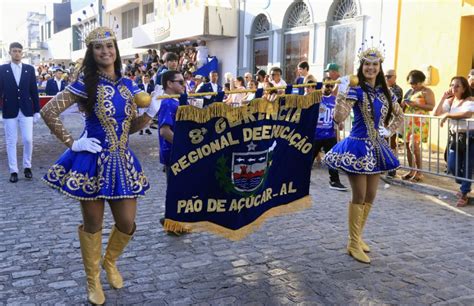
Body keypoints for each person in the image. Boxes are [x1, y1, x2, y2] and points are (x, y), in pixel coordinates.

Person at [39, 27, 160, 305]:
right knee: (93, 224)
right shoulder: (86, 82)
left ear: (116, 51)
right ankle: (92, 280)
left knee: (127, 223)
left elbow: (129, 128)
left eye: (109, 46)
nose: (105, 51)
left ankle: (110, 261)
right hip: (91, 159)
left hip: (122, 159)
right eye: (98, 47)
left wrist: (150, 115)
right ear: (91, 53)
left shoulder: (129, 85)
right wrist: (73, 143)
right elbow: (49, 111)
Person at [324, 45, 404, 264]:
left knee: (371, 196)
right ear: (362, 66)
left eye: (374, 64)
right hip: (357, 148)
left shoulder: (384, 92)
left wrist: (389, 130)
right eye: (367, 64)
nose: (370, 68)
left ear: (379, 67)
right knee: (359, 196)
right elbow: (339, 118)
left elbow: (400, 115)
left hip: (377, 148)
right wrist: (342, 94)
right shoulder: (356, 89)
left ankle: (358, 237)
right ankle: (352, 243)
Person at [0, 42, 40, 183]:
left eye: (19, 51)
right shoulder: (2, 69)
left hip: (26, 110)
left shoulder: (29, 69)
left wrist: (37, 111)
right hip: (9, 110)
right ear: (10, 53)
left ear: (22, 53)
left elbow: (33, 91)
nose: (17, 53)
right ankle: (14, 170)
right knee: (11, 141)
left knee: (28, 140)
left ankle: (27, 167)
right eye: (14, 51)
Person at [434, 76, 473, 207]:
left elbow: (468, 114)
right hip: (455, 137)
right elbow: (435, 113)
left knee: (467, 166)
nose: (453, 88)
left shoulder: (470, 100)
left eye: (457, 86)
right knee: (451, 165)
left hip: (469, 137)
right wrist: (443, 98)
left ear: (464, 88)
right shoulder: (450, 101)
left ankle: (464, 193)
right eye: (452, 85)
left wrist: (448, 115)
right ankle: (464, 184)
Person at [157, 70, 187, 233]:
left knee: (179, 187)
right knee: (176, 188)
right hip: (173, 153)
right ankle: (172, 223)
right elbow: (165, 131)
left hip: (178, 152)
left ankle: (172, 219)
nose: (184, 85)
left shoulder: (175, 101)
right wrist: (183, 145)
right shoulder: (168, 102)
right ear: (169, 83)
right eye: (180, 82)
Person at [310, 76, 347, 191]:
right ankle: (300, 178)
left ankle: (334, 181)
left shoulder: (334, 100)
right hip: (316, 134)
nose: (330, 88)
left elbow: (336, 116)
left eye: (332, 86)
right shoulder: (316, 98)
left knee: (332, 158)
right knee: (308, 159)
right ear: (322, 85)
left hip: (329, 134)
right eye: (327, 85)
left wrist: (339, 123)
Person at [402, 70, 435, 182]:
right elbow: (402, 104)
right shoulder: (410, 92)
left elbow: (431, 106)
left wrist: (417, 104)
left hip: (420, 122)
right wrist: (405, 103)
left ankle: (419, 172)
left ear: (421, 81)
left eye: (415, 83)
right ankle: (411, 170)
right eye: (411, 83)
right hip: (409, 121)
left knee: (414, 146)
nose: (413, 85)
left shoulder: (427, 91)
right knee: (408, 146)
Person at [384, 69, 404, 178]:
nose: (386, 78)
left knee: (391, 144)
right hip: (382, 121)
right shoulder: (381, 88)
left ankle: (392, 168)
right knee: (383, 143)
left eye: (389, 76)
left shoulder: (397, 89)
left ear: (394, 77)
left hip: (392, 121)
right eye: (385, 76)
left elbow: (392, 103)